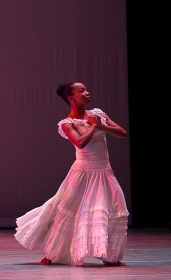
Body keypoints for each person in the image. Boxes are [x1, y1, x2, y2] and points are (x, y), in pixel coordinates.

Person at [14, 82, 129, 266]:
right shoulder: (67, 123)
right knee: (67, 209)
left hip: (104, 172)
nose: (87, 92)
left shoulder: (98, 114)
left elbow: (122, 133)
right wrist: (93, 127)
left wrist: (102, 126)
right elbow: (80, 143)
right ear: (71, 97)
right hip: (82, 172)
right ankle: (52, 253)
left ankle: (109, 255)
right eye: (81, 90)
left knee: (113, 208)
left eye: (86, 89)